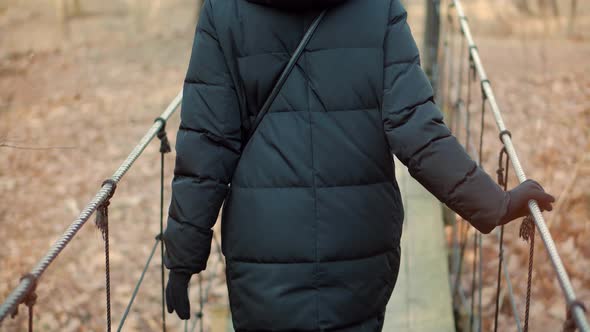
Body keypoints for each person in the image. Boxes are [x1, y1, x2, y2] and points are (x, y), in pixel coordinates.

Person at [162, 0, 555, 331]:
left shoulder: (224, 9)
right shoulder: (378, 6)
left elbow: (207, 144)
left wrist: (183, 257)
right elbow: (417, 129)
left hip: (262, 250)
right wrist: (495, 203)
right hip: (360, 247)